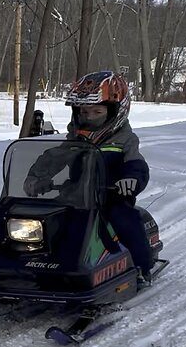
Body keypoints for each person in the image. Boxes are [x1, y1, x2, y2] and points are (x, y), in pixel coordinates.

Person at [64, 70, 154, 285]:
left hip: (111, 197)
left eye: (97, 112)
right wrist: (38, 175)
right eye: (84, 112)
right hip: (76, 194)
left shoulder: (125, 140)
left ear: (116, 111)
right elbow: (55, 158)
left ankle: (142, 266)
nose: (89, 118)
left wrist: (131, 179)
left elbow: (136, 164)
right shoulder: (74, 137)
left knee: (124, 219)